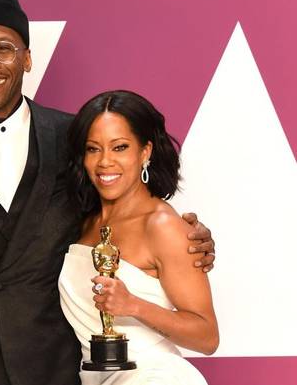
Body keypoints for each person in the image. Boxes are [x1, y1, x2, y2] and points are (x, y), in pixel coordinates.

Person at [0, 0, 216, 385]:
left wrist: (191, 240)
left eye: (4, 48)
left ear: (27, 58)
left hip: (59, 368)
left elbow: (125, 215)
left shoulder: (76, 139)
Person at [59, 90, 219, 385]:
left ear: (145, 152)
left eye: (119, 147)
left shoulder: (163, 225)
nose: (105, 161)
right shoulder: (84, 222)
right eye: (94, 149)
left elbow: (206, 336)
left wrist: (133, 305)